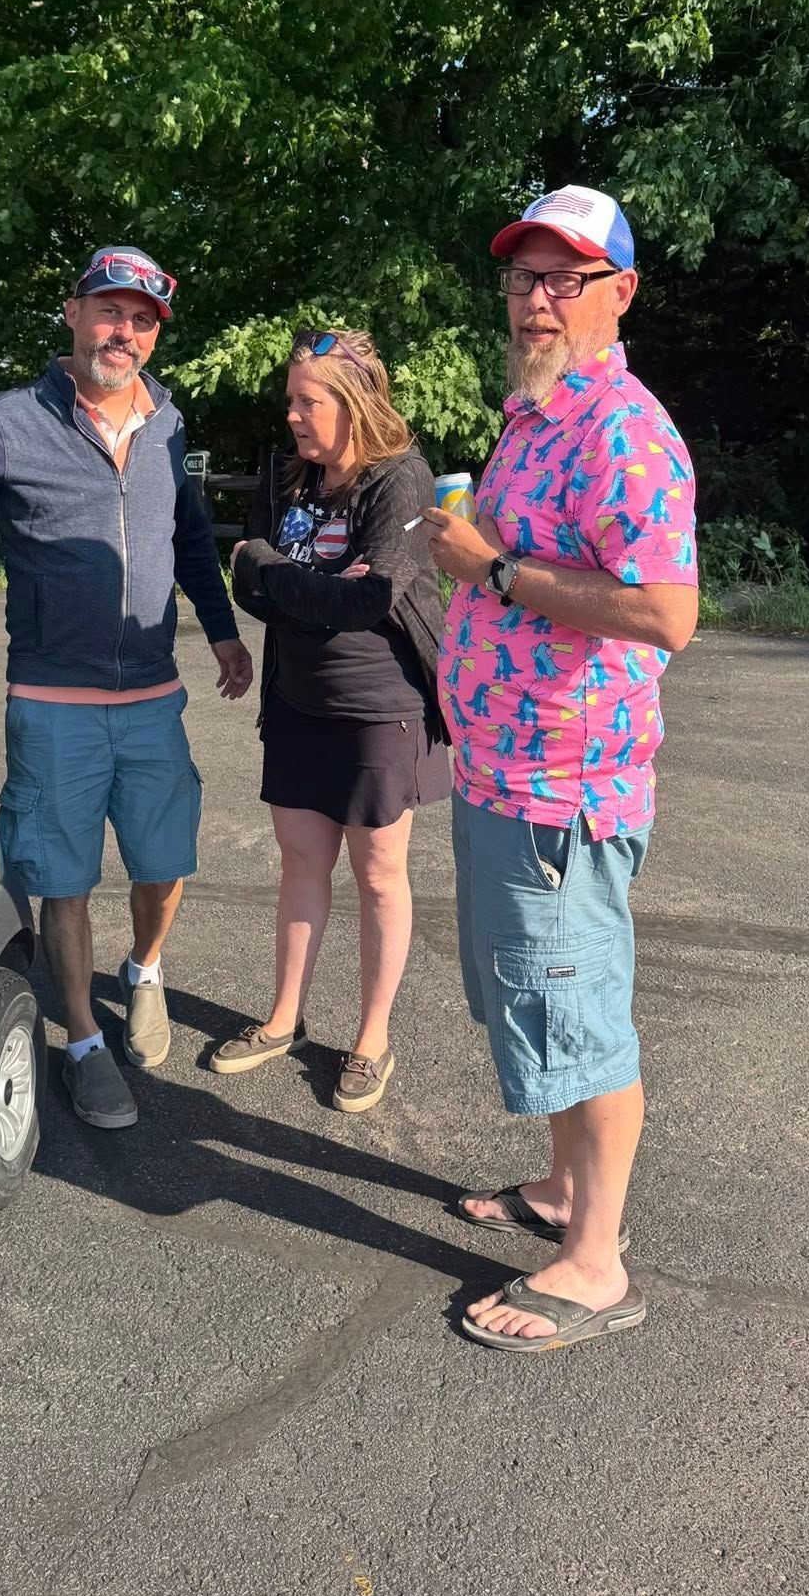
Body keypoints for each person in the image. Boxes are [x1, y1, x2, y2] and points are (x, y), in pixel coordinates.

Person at [421, 183, 697, 1354]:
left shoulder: (623, 429)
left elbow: (665, 611)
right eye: (524, 277)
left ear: (617, 293)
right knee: (532, 994)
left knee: (582, 1015)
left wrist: (489, 572)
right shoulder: (535, 409)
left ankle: (596, 1263)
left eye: (564, 278)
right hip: (505, 773)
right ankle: (565, 1185)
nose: (537, 298)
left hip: (565, 792)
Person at [0, 247, 253, 1131]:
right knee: (62, 879)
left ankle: (144, 970)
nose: (125, 332)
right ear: (73, 314)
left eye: (142, 321)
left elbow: (189, 541)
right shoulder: (9, 420)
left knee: (165, 861)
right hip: (54, 700)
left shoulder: (168, 427)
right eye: (110, 311)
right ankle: (80, 1041)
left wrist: (221, 632)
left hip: (151, 695)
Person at [217, 328, 449, 1114]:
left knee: (380, 876)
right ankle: (283, 1019)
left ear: (351, 404)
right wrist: (291, 581)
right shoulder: (289, 478)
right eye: (289, 400)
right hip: (295, 702)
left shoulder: (399, 480)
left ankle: (373, 1038)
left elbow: (370, 599)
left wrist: (276, 572)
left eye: (305, 401)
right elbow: (247, 584)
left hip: (378, 711)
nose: (290, 416)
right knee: (299, 862)